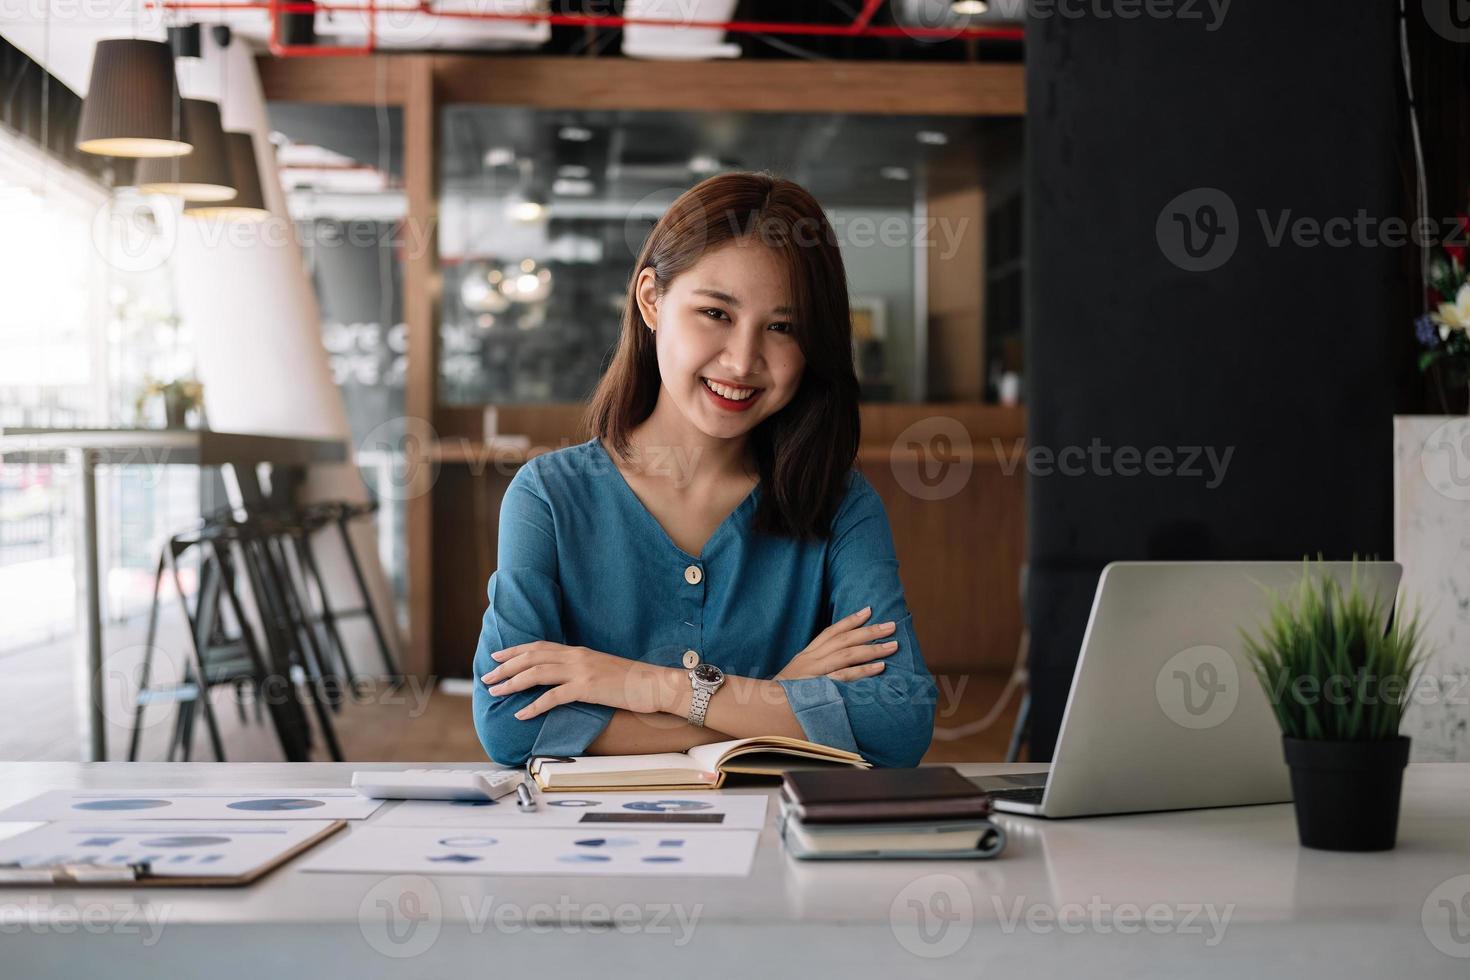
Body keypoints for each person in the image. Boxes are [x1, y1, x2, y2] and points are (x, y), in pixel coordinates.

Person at [472, 171, 936, 768]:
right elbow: (511, 726)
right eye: (716, 313)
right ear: (651, 301)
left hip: (784, 846)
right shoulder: (549, 498)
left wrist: (656, 687)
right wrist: (778, 701)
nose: (744, 361)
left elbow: (898, 724)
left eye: (783, 327)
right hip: (597, 849)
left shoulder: (840, 503)